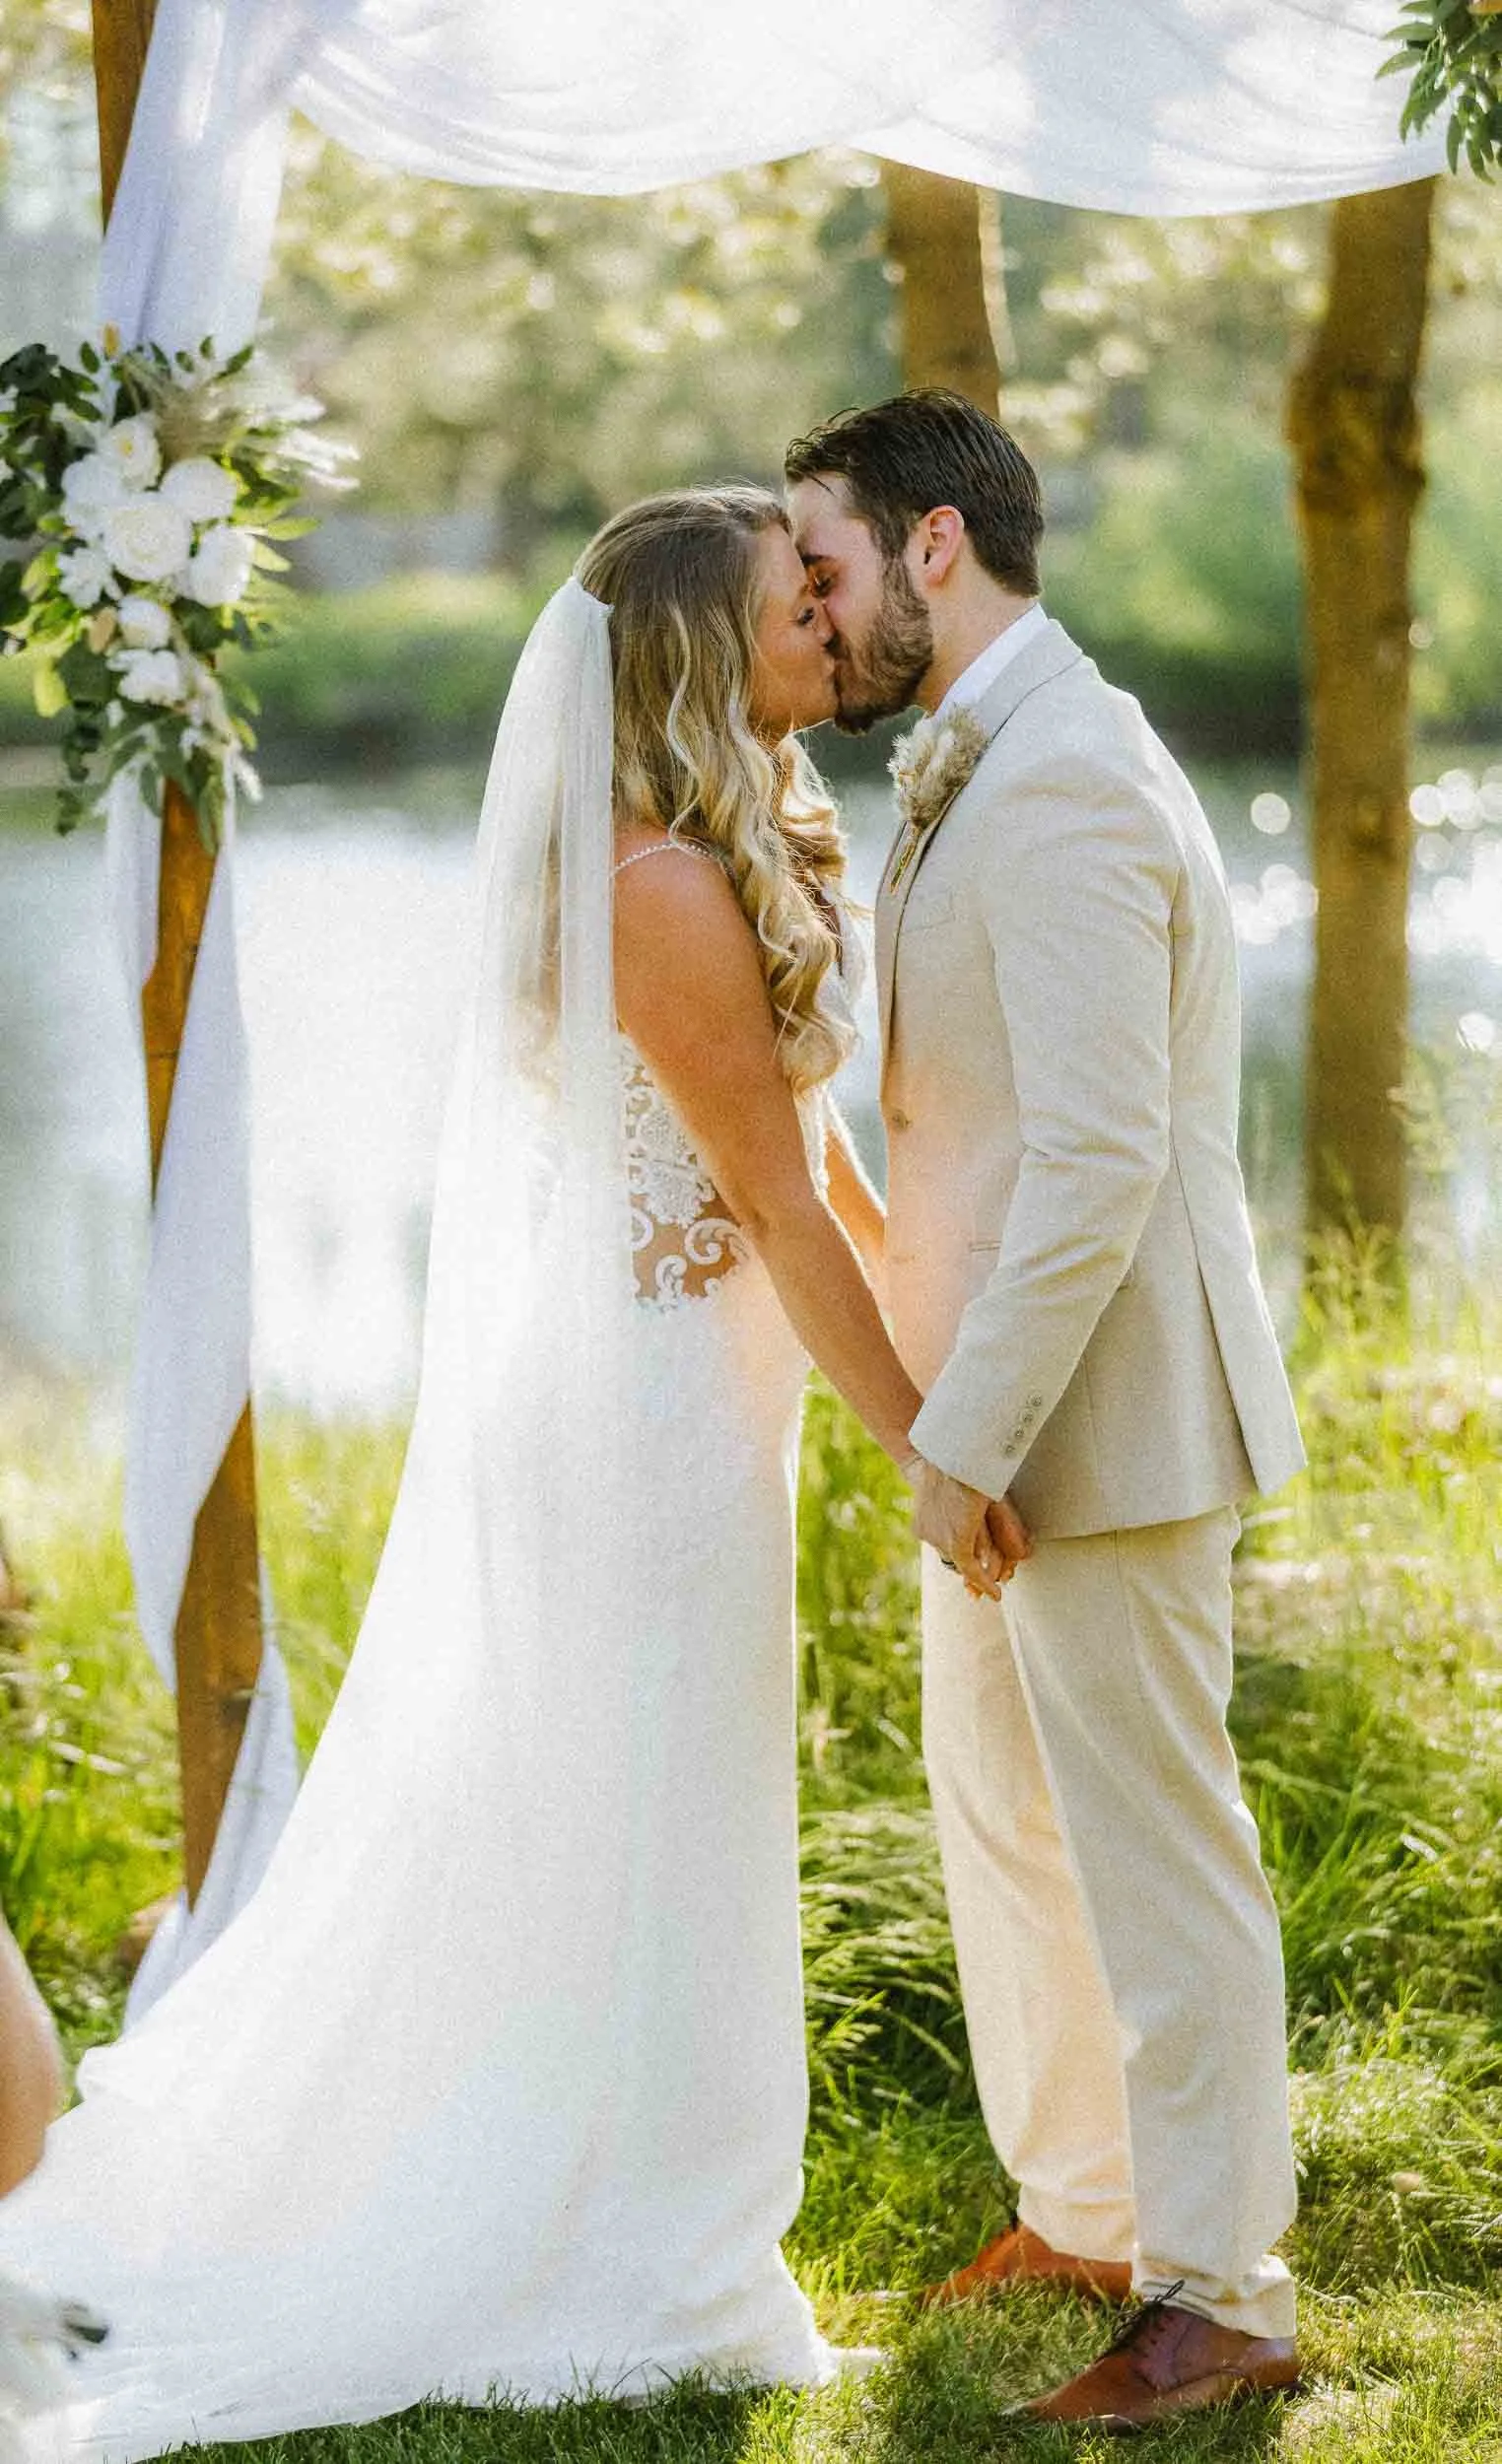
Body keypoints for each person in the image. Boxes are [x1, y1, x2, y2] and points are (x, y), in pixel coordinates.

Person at [0, 484, 1024, 2459]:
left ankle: (670, 2209)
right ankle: (629, 2239)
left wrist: (967, 1368)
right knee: (631, 1817)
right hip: (641, 1428)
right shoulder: (650, 885)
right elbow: (776, 1208)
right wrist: (936, 1445)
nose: (824, 612)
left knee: (668, 1805)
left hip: (702, 1408)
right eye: (785, 598)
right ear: (695, 654)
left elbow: (826, 1180)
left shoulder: (713, 848)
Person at [787, 392, 1307, 2431]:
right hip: (1001, 1399)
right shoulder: (973, 757)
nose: (810, 613)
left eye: (824, 566)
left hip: (1105, 1404)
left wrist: (960, 1436)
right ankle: (1088, 2203)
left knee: (1161, 1857)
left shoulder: (1076, 767)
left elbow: (1099, 1160)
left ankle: (1223, 2286)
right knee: (1007, 1823)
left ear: (935, 546)